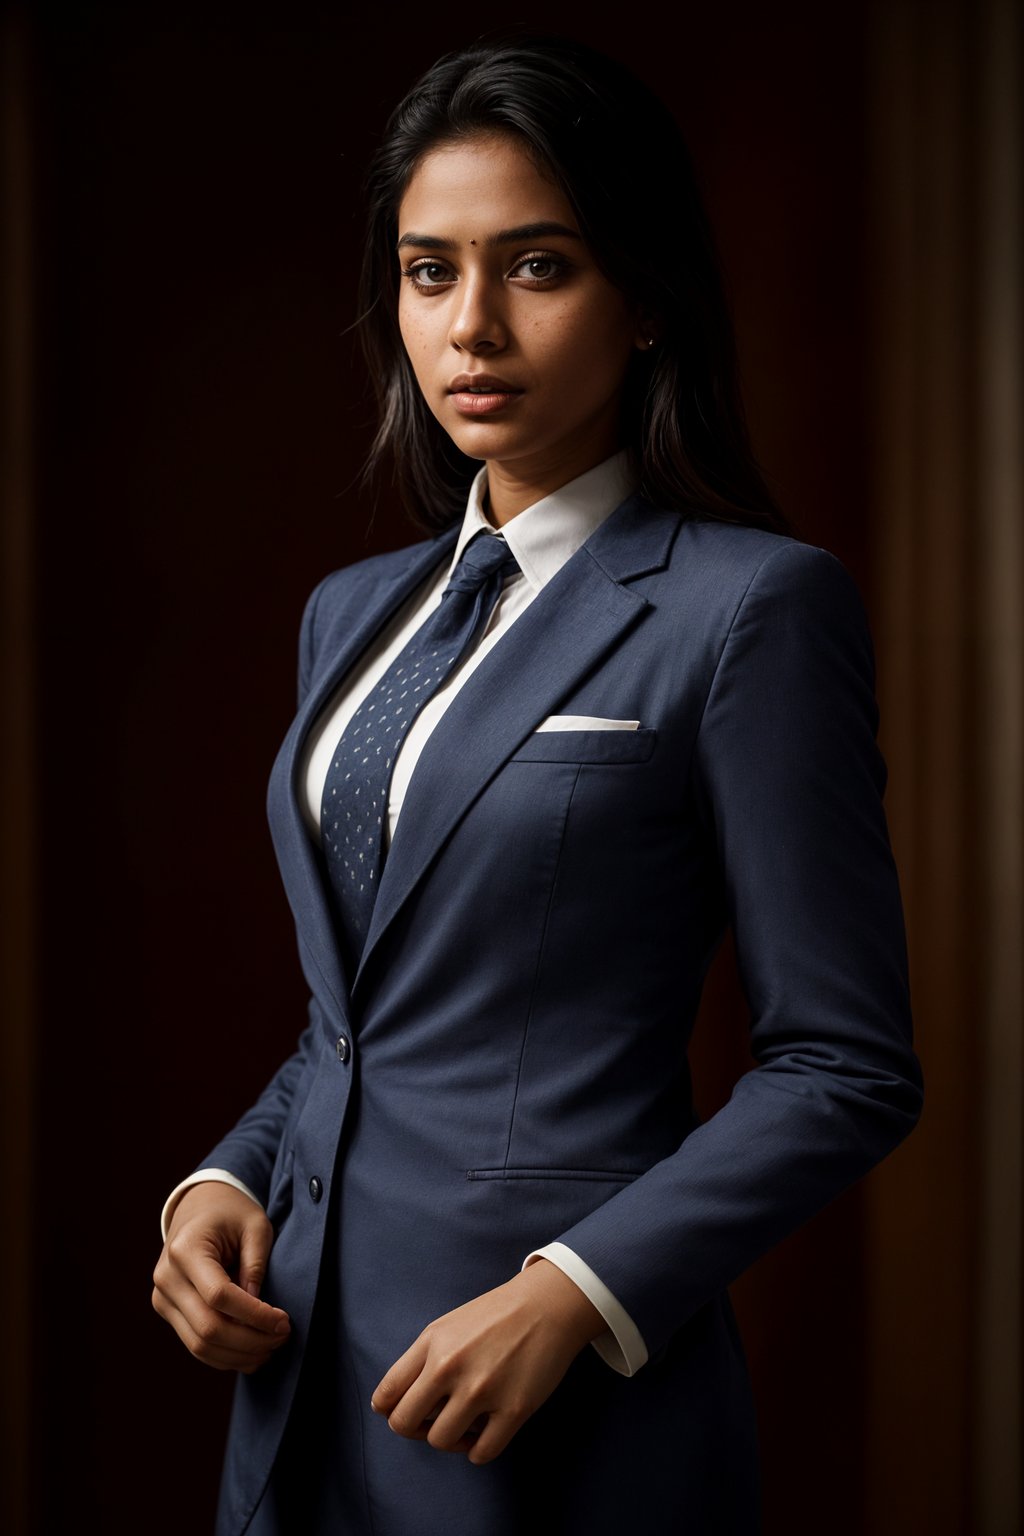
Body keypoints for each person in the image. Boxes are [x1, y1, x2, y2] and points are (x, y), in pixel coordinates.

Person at [152, 30, 924, 1536]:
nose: (472, 329)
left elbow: (845, 1065)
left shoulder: (752, 608)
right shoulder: (352, 611)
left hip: (543, 1405)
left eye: (539, 266)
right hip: (298, 1384)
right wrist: (216, 1189)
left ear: (643, 299)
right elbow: (362, 1019)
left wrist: (580, 1291)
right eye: (429, 272)